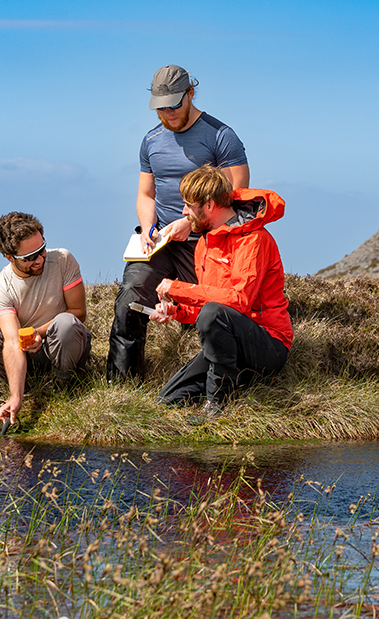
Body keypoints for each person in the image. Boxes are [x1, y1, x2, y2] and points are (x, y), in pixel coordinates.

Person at [107, 64, 250, 381]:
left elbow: (238, 198)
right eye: (161, 107)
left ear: (191, 93)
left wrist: (191, 222)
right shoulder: (151, 141)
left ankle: (225, 382)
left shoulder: (221, 137)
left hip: (206, 241)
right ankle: (120, 388)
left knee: (209, 315)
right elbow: (145, 194)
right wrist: (147, 227)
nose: (169, 112)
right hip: (161, 241)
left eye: (175, 104)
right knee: (129, 301)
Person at [149, 164, 292, 421]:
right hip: (230, 342)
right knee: (168, 401)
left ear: (210, 205)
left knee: (214, 313)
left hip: (269, 344)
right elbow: (211, 304)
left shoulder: (254, 239)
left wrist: (179, 288)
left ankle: (218, 405)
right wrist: (177, 311)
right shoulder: (205, 241)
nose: (183, 212)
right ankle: (239, 381)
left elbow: (239, 301)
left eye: (188, 205)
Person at [0, 212, 91, 426]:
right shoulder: (3, 287)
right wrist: (15, 397)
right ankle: (24, 388)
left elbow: (78, 312)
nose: (40, 259)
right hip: (27, 353)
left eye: (42, 250)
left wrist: (40, 332)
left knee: (65, 323)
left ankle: (63, 386)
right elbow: (12, 341)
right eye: (30, 257)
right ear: (9, 257)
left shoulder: (63, 259)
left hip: (63, 344)